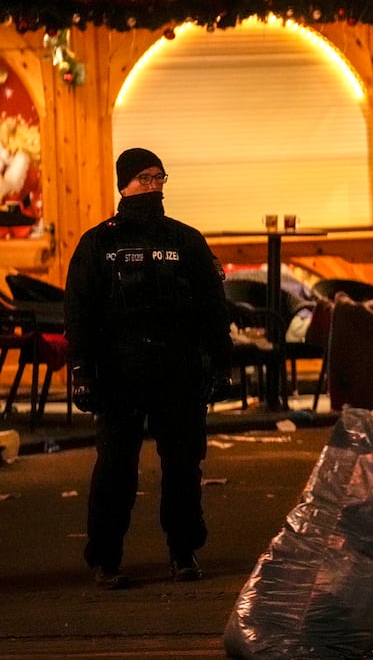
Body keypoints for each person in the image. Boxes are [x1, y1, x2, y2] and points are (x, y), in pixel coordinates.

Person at [63, 148, 233, 588]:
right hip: (120, 369)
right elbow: (79, 312)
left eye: (159, 178)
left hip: (178, 368)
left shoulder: (186, 240)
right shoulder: (98, 243)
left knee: (182, 466)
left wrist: (221, 363)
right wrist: (82, 371)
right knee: (116, 469)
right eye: (143, 179)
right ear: (123, 185)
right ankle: (105, 560)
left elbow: (213, 308)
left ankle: (184, 552)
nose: (153, 187)